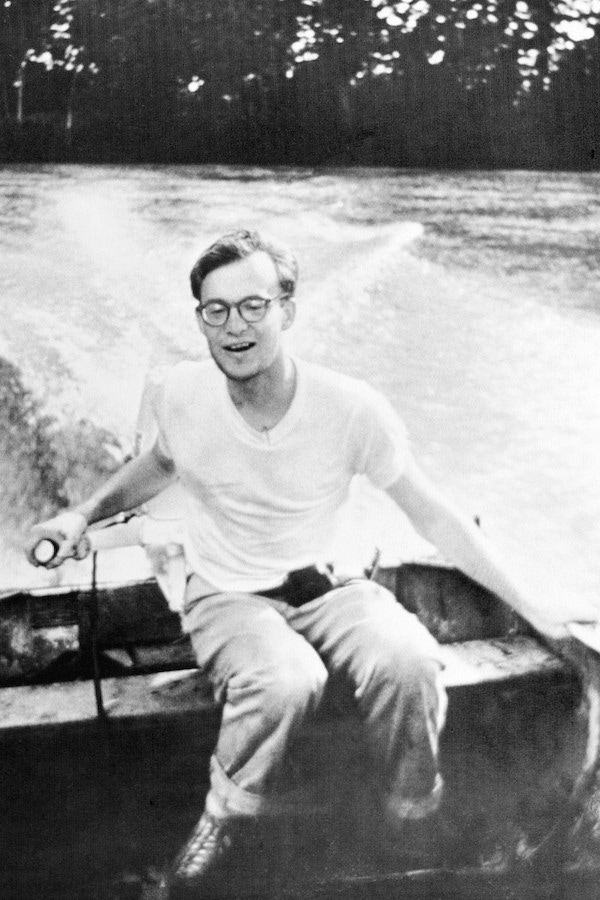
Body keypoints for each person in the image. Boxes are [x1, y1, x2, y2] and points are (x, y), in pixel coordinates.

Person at [24, 230, 591, 898]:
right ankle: (222, 826)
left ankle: (411, 812)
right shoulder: (180, 393)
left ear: (287, 310)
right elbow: (158, 465)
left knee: (410, 662)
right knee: (286, 679)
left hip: (328, 584)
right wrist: (82, 515)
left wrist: (536, 612)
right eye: (217, 310)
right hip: (227, 593)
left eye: (253, 306)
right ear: (200, 318)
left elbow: (434, 516)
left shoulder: (352, 410)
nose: (235, 327)